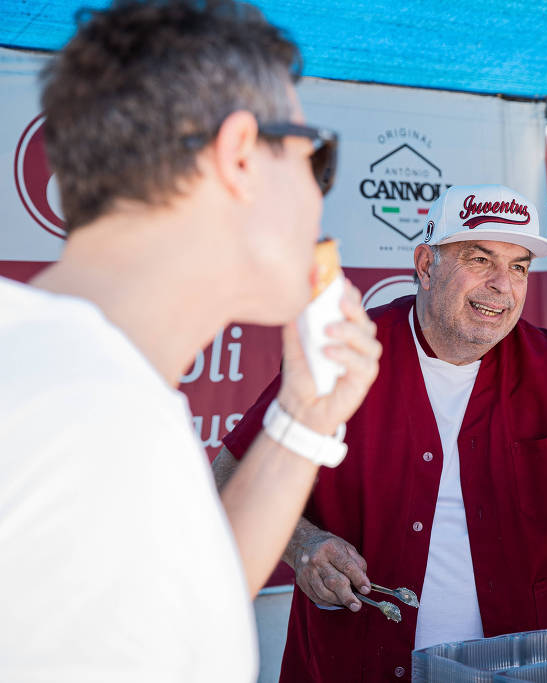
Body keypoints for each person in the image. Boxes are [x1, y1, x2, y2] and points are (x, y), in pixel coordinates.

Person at [0, 1, 381, 680]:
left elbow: (176, 611)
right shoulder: (84, 416)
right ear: (239, 156)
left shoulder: (79, 381)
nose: (320, 195)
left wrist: (305, 421)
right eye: (312, 156)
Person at [213, 183, 547, 681]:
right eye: (479, 259)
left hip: (518, 666)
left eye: (519, 267)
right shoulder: (346, 351)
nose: (502, 286)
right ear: (426, 265)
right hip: (356, 662)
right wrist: (304, 543)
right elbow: (228, 477)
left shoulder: (546, 361)